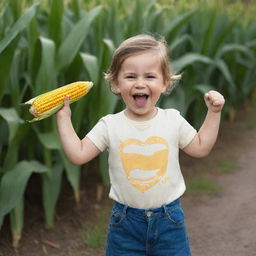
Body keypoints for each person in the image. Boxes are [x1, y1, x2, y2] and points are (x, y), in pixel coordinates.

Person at [56, 34, 225, 256]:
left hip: (169, 222)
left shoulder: (172, 120)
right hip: (125, 224)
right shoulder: (109, 125)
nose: (140, 83)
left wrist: (213, 113)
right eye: (130, 76)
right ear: (116, 83)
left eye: (150, 76)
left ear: (165, 83)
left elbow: (201, 147)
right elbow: (78, 155)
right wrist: (64, 119)